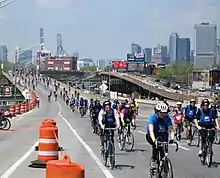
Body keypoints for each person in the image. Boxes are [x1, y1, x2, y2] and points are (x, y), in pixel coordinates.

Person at [146, 102, 175, 170]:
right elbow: (151, 131)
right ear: (157, 111)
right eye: (161, 112)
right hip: (152, 135)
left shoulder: (167, 118)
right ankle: (154, 160)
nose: (162, 114)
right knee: (156, 147)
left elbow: (171, 129)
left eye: (164, 113)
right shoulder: (153, 118)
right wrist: (154, 140)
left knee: (163, 151)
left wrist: (172, 139)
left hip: (163, 135)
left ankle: (164, 166)